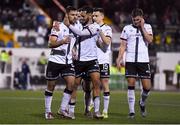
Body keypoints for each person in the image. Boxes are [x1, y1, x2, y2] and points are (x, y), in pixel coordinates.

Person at [63, 6, 104, 119]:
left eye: (83, 16)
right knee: (74, 85)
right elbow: (72, 38)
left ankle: (96, 111)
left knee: (96, 84)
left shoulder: (95, 26)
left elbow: (81, 34)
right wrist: (73, 49)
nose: (80, 18)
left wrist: (69, 25)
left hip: (92, 60)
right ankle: (71, 111)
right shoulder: (78, 25)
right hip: (79, 61)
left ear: (90, 15)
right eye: (79, 16)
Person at [116, 8, 153, 119]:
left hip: (143, 60)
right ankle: (131, 112)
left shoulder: (148, 27)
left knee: (147, 87)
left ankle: (142, 103)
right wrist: (119, 58)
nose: (135, 22)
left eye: (137, 20)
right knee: (131, 84)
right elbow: (123, 45)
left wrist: (142, 27)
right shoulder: (127, 28)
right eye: (134, 20)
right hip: (130, 60)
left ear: (142, 18)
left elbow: (150, 40)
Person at [44, 6, 77, 120]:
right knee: (51, 86)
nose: (75, 17)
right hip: (55, 61)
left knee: (71, 83)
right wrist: (62, 41)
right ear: (66, 14)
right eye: (73, 15)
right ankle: (48, 111)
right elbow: (50, 44)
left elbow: (72, 43)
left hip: (67, 62)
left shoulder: (75, 28)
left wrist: (73, 50)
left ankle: (63, 109)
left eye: (76, 15)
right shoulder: (57, 26)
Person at [91, 7, 112, 118]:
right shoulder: (91, 28)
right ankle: (92, 105)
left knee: (104, 84)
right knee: (92, 85)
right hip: (92, 60)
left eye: (96, 15)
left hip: (103, 60)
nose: (94, 17)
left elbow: (107, 42)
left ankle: (105, 110)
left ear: (102, 16)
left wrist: (99, 31)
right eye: (93, 15)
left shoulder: (107, 28)